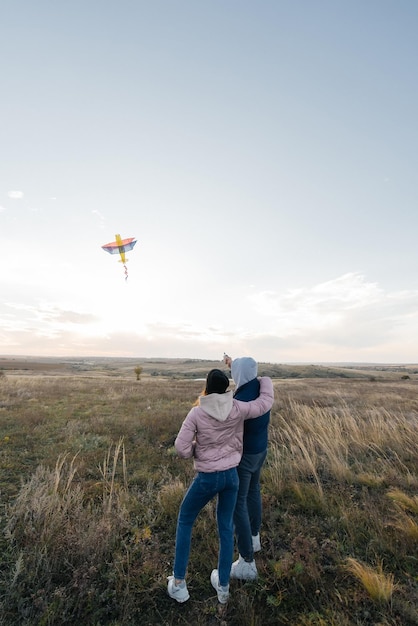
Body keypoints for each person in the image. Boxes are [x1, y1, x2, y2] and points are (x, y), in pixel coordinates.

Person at [167, 368, 274, 604]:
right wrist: (264, 380)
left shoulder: (196, 413)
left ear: (206, 386)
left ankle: (178, 584)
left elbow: (181, 448)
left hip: (207, 477)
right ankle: (223, 587)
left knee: (185, 519)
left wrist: (199, 449)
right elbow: (264, 403)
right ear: (227, 387)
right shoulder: (238, 408)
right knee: (225, 527)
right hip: (231, 478)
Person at [224, 354, 271, 581]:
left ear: (238, 375)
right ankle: (254, 537)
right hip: (261, 451)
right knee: (253, 491)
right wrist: (232, 362)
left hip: (244, 456)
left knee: (237, 503)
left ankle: (247, 562)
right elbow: (244, 370)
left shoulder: (241, 399)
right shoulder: (261, 388)